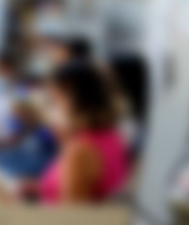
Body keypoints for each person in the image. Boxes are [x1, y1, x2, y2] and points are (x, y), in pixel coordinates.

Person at [35, 60, 128, 203]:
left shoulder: (81, 150)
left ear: (74, 100)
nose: (53, 108)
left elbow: (70, 217)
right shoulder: (113, 136)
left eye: (55, 99)